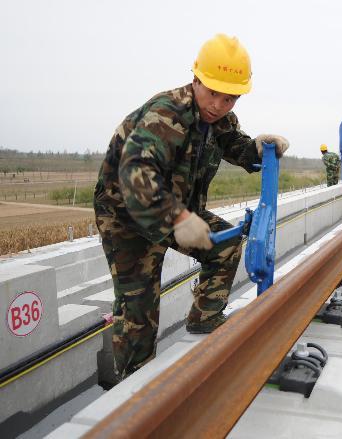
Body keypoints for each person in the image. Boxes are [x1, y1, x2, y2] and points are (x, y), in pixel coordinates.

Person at [93, 34, 289, 380]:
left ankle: (204, 319)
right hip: (125, 215)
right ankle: (134, 385)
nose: (218, 104)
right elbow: (136, 175)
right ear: (196, 79)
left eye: (229, 98)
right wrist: (179, 219)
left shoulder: (220, 120)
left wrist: (260, 149)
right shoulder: (166, 115)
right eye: (212, 93)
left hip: (177, 207)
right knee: (138, 305)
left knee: (224, 244)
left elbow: (236, 147)